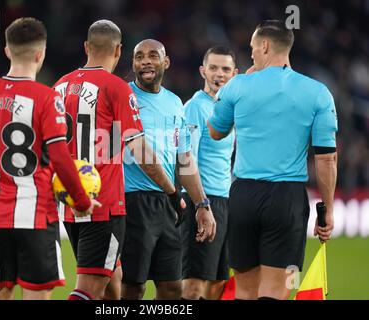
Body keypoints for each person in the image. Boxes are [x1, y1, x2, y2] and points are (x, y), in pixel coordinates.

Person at [0, 17, 98, 300]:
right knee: (36, 294)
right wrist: (82, 202)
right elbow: (61, 158)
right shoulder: (47, 99)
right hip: (35, 215)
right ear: (40, 53)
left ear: (7, 51)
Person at [53, 20, 185, 300]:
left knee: (113, 287)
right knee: (90, 289)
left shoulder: (60, 86)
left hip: (70, 202)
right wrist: (172, 191)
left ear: (87, 47)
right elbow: (139, 149)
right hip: (105, 205)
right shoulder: (116, 88)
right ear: (119, 50)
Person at [207, 20, 338, 300]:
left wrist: (237, 87)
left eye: (253, 48)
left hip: (243, 195)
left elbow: (216, 132)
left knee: (243, 290)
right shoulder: (318, 92)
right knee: (278, 291)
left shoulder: (237, 86)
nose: (251, 54)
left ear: (265, 46)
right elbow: (327, 158)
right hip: (286, 199)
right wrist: (326, 210)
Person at [121, 39, 217, 300]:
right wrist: (174, 192)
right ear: (133, 64)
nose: (146, 61)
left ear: (166, 62)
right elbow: (137, 150)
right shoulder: (123, 96)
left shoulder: (175, 103)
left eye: (153, 56)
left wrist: (202, 205)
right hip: (133, 202)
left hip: (167, 204)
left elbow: (184, 160)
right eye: (139, 57)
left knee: (172, 287)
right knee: (133, 287)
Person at [181, 46, 238, 300]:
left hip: (224, 201)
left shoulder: (229, 109)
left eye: (225, 69)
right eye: (213, 68)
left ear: (234, 73)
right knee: (194, 286)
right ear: (203, 71)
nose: (219, 74)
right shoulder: (195, 107)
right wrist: (200, 204)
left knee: (217, 284)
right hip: (202, 202)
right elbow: (185, 158)